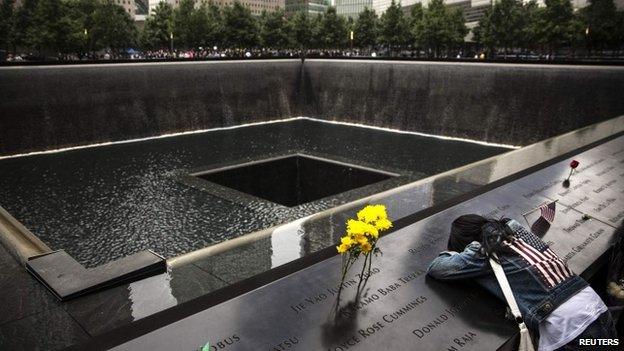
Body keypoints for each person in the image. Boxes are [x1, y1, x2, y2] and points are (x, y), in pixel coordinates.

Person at [427, 215, 618, 350]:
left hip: (573, 333)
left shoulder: (482, 253)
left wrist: (457, 252)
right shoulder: (517, 232)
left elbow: (437, 268)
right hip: (599, 312)